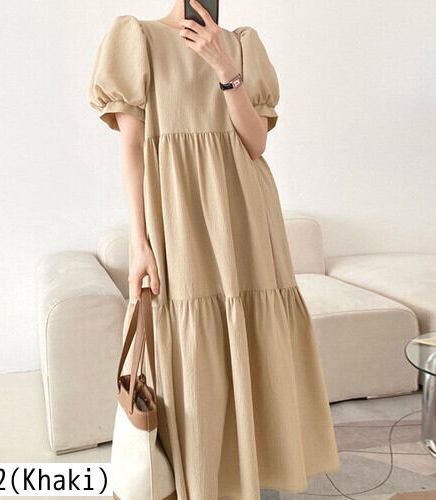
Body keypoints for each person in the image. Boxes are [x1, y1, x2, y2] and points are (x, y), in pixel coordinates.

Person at [89, 0, 340, 498]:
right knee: (187, 344)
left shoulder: (243, 43)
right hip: (177, 215)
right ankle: (199, 480)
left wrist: (225, 68)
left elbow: (255, 143)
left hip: (246, 215)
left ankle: (251, 473)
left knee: (251, 335)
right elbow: (132, 148)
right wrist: (139, 242)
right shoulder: (137, 38)